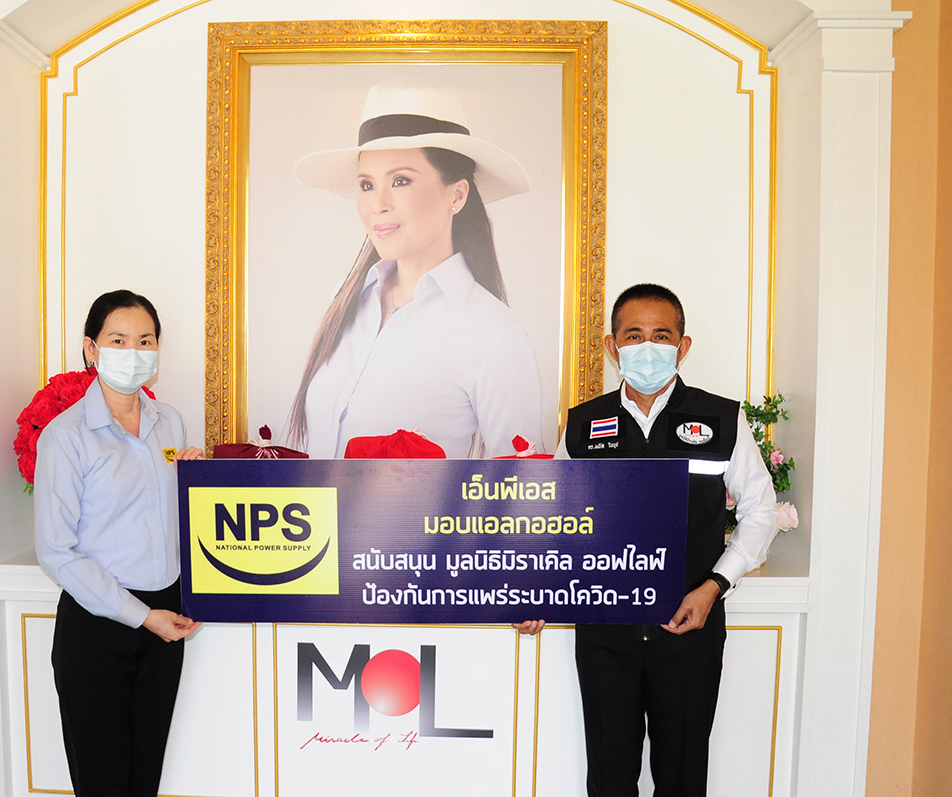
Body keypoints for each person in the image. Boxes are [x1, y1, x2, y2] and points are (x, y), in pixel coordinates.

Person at [516, 284, 779, 796]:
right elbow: (554, 519)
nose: (648, 347)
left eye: (662, 335)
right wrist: (536, 593)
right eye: (634, 336)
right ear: (612, 347)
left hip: (689, 630)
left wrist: (713, 587)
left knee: (682, 778)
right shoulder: (583, 423)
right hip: (605, 635)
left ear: (683, 346)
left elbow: (761, 511)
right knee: (609, 778)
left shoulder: (722, 419)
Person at [287, 80, 544, 458]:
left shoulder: (495, 334)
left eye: (400, 181)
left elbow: (519, 486)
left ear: (457, 195)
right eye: (367, 184)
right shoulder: (346, 299)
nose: (378, 204)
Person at [34, 289, 204, 796]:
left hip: (165, 620)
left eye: (145, 340)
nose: (134, 351)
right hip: (98, 626)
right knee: (103, 783)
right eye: (118, 339)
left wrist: (194, 480)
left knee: (143, 779)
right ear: (91, 349)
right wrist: (142, 616)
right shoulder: (66, 436)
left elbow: (167, 518)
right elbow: (56, 551)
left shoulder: (169, 422)